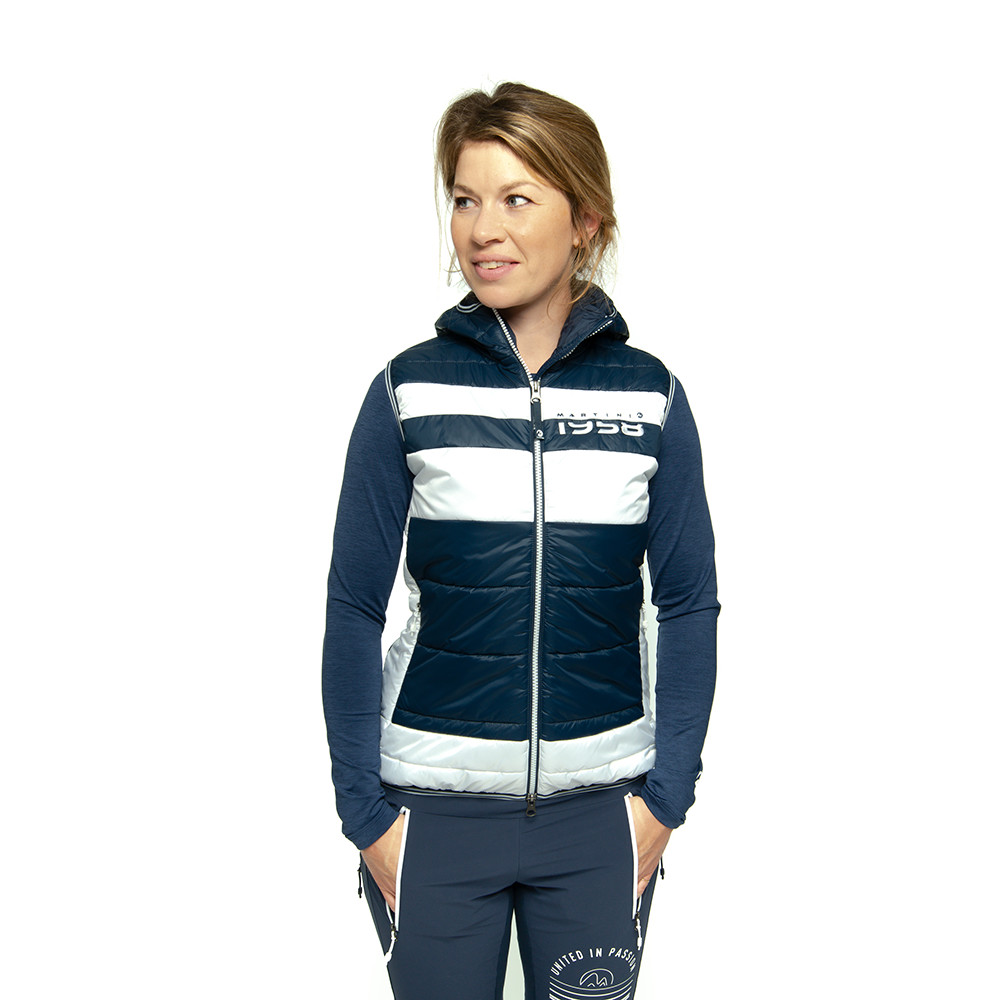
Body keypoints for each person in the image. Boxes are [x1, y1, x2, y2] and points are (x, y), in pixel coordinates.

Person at [321, 82, 719, 1000]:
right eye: (464, 199)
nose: (482, 229)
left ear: (585, 220)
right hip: (430, 816)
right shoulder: (407, 392)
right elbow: (351, 608)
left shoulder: (650, 397)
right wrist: (367, 818)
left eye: (516, 198)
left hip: (600, 818)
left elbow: (689, 602)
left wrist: (664, 803)